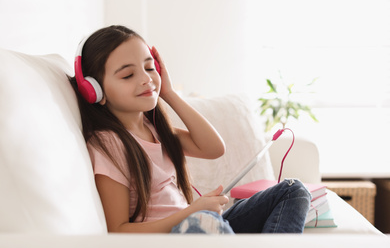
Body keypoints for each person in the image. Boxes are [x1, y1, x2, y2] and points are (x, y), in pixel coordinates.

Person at [69, 25, 311, 234]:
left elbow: (214, 148)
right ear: (95, 91)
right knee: (203, 222)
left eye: (150, 67)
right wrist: (193, 212)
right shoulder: (109, 143)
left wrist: (170, 94)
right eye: (129, 75)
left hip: (199, 224)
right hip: (182, 231)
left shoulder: (154, 130)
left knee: (294, 190)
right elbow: (119, 231)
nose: (146, 79)